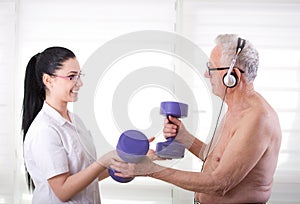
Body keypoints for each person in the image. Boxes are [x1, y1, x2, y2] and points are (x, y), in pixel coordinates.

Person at [110, 34, 282, 203]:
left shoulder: (257, 119)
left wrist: (151, 170)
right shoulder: (235, 109)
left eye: (211, 67)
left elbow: (220, 183)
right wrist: (184, 137)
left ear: (232, 76)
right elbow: (215, 159)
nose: (206, 74)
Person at [22, 47, 114, 203]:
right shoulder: (44, 130)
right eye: (72, 77)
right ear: (48, 80)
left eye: (79, 76)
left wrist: (123, 166)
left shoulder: (75, 121)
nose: (80, 83)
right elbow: (63, 191)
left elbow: (85, 175)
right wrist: (103, 161)